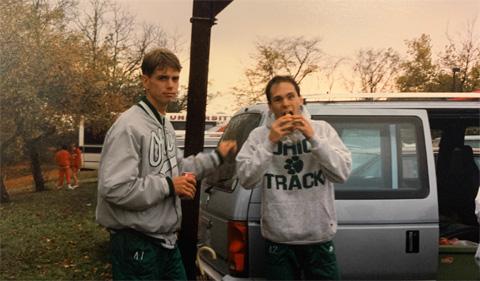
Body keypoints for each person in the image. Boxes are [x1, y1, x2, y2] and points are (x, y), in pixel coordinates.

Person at [96, 48, 237, 281]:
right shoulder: (129, 126)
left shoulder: (165, 125)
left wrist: (217, 157)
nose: (170, 85)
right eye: (162, 78)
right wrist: (170, 186)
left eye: (175, 78)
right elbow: (114, 188)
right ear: (145, 80)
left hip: (165, 241)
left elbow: (176, 169)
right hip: (136, 242)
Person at [236, 75, 352, 280]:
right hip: (279, 241)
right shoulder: (258, 136)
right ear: (270, 106)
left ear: (301, 100)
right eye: (278, 99)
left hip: (318, 238)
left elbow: (342, 173)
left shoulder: (322, 129)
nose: (286, 104)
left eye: (291, 96)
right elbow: (246, 179)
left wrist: (313, 138)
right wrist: (270, 142)